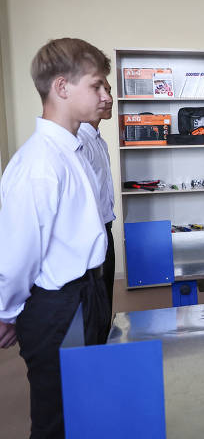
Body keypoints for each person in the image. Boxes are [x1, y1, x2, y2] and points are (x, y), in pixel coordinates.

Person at [0, 38, 113, 438]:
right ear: (62, 88)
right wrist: (6, 311)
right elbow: (17, 255)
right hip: (58, 305)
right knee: (57, 415)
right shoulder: (39, 163)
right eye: (97, 85)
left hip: (86, 291)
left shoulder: (74, 149)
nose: (105, 96)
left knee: (85, 397)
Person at [77, 78, 117, 338]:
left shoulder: (97, 140)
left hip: (105, 230)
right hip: (91, 236)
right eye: (98, 90)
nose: (108, 98)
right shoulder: (79, 141)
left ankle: (102, 358)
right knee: (93, 314)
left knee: (104, 307)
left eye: (109, 91)